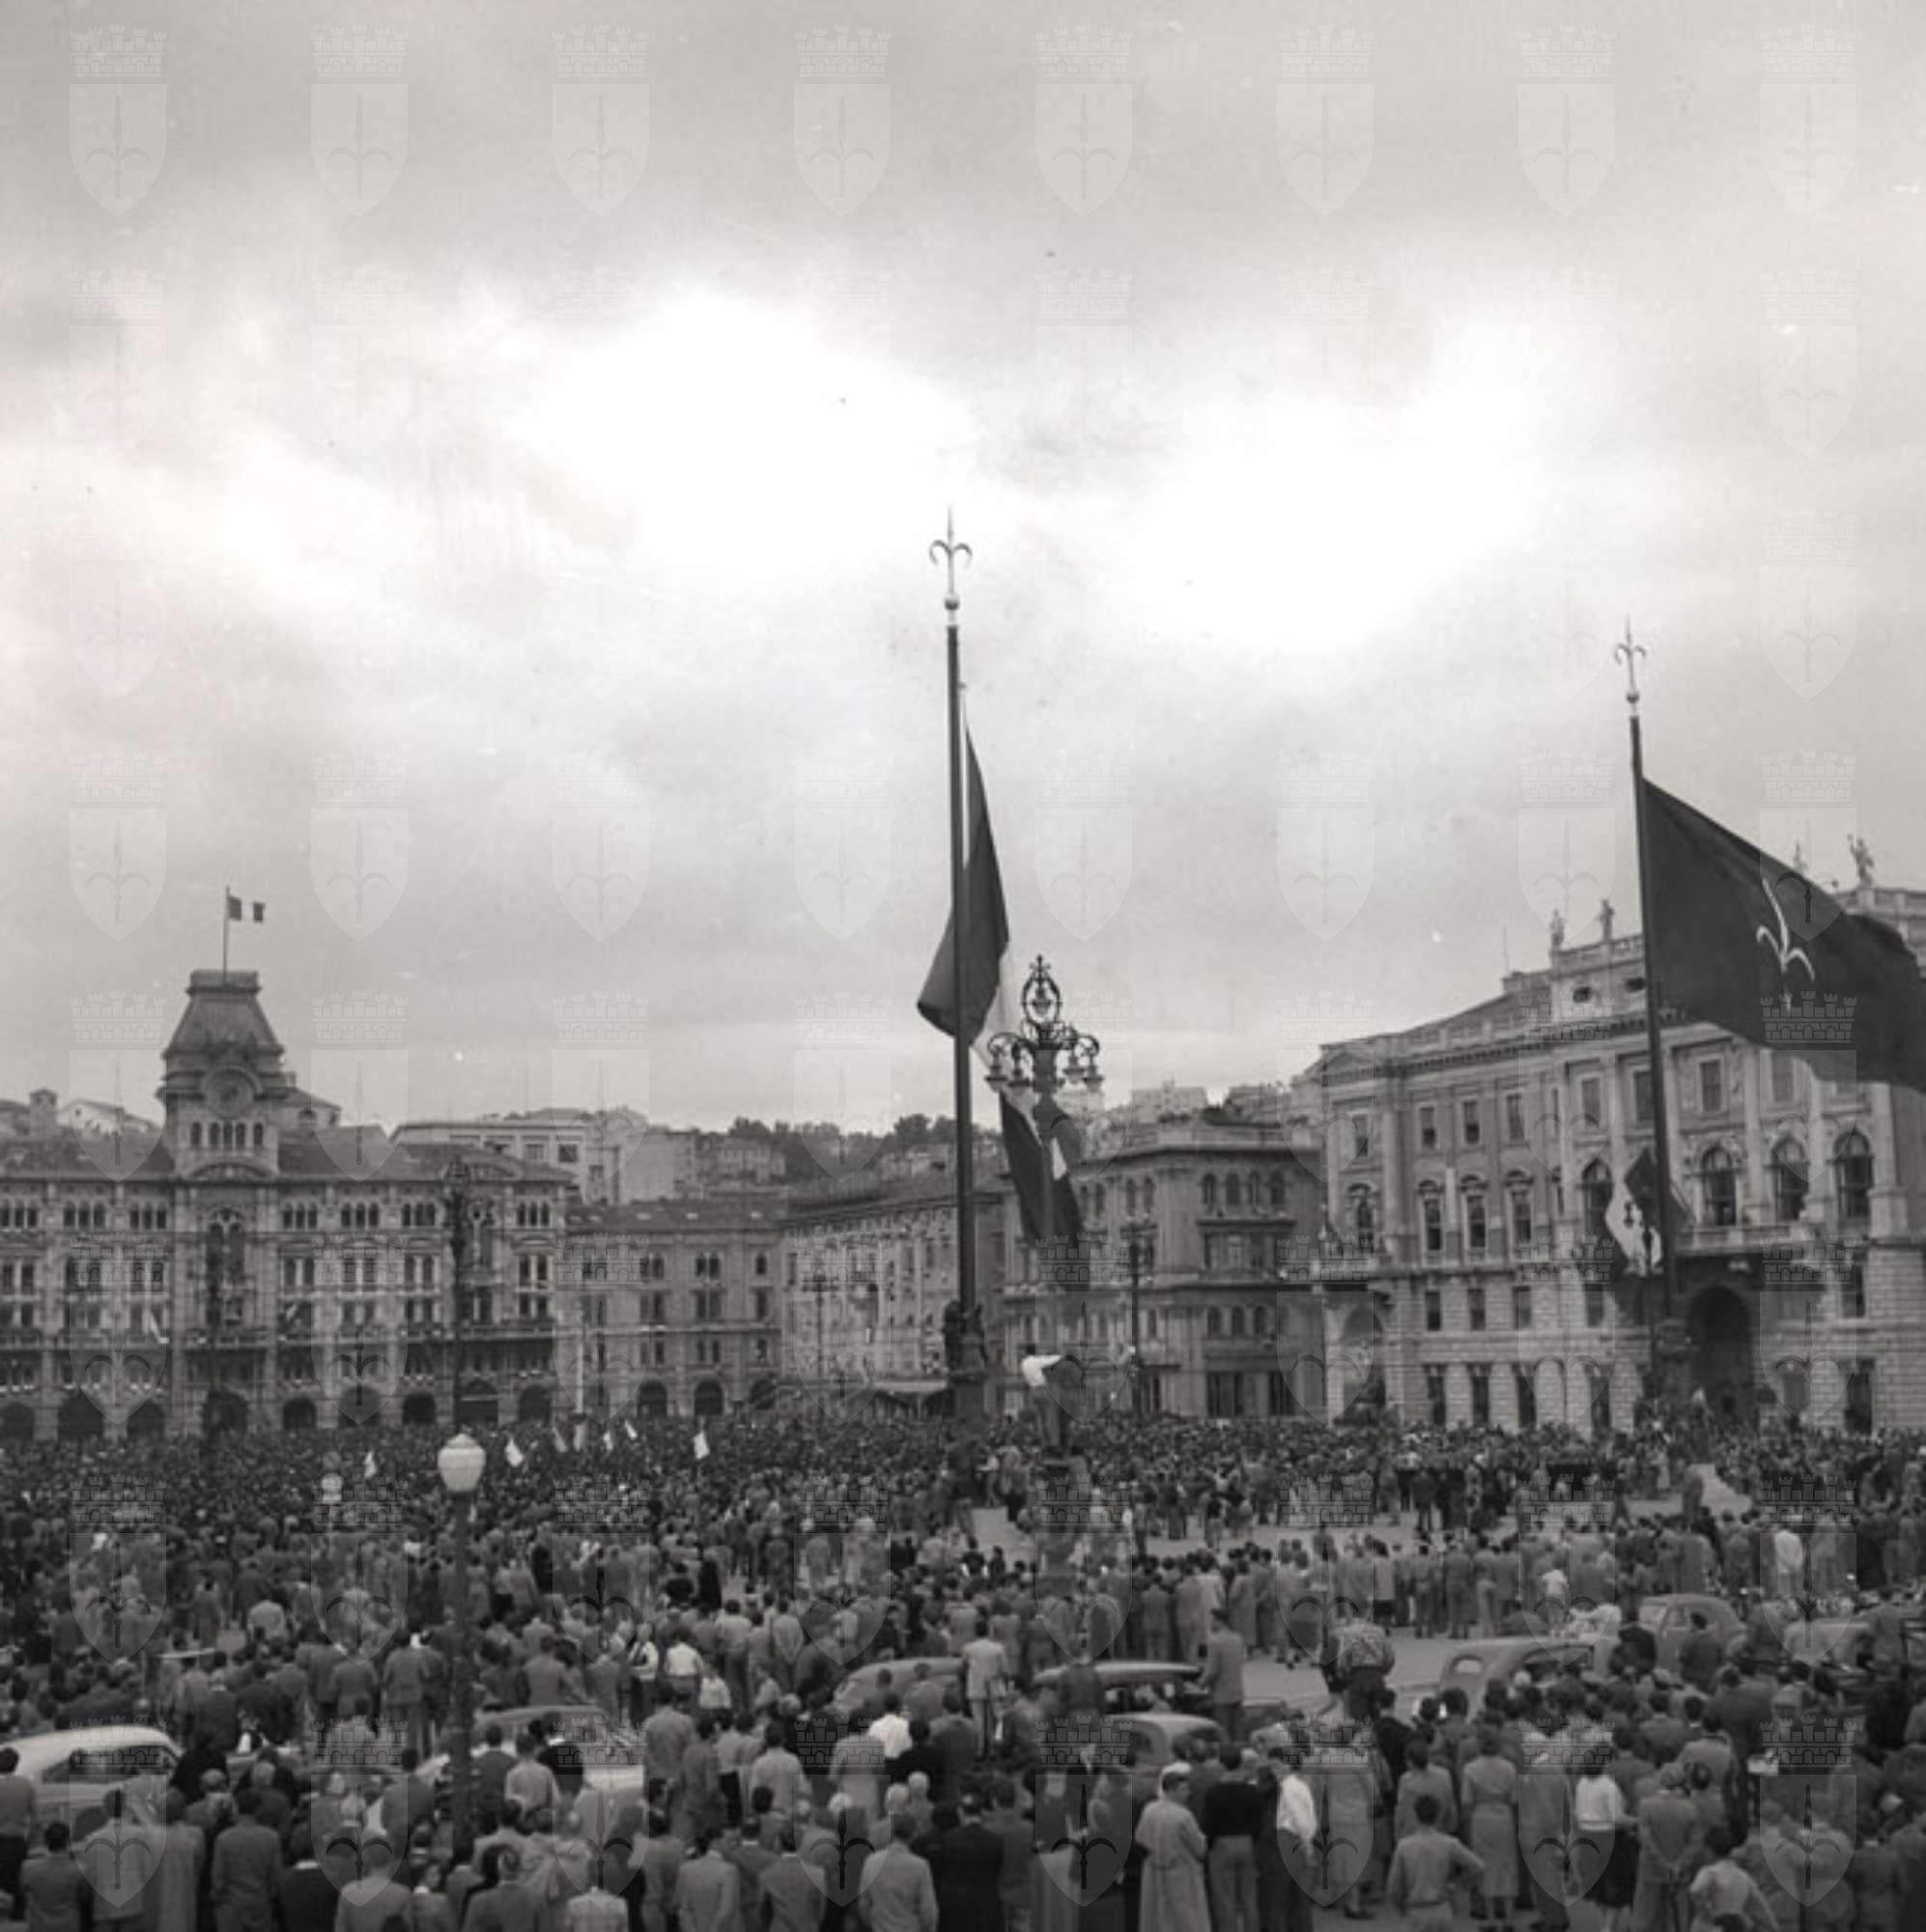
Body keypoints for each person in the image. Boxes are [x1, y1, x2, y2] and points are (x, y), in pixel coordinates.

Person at [1384, 1793, 1484, 1932]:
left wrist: (1401, 1908)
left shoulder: (1404, 1846)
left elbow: (1393, 1887)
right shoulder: (1449, 1843)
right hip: (1441, 1906)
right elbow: (1478, 1867)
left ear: (1415, 1815)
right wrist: (1459, 1885)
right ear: (1437, 1816)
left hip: (1416, 1908)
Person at [1133, 1765, 1206, 1932]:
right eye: (1184, 1789)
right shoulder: (1183, 1815)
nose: (1188, 1793)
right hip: (1181, 1872)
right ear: (1171, 1790)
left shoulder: (1149, 1809)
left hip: (1153, 1871)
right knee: (1184, 1917)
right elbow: (1199, 1848)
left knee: (1158, 1916)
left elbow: (1140, 1838)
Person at [1459, 1724, 1518, 1926]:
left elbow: (1466, 1800)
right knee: (1507, 1864)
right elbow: (1514, 1798)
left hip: (1481, 1817)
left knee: (1484, 1865)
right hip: (1503, 1816)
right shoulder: (1509, 1767)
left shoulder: (1470, 1768)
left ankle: (1490, 1917)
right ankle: (1509, 1917)